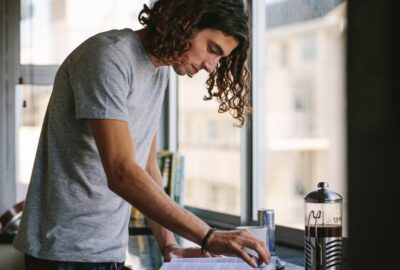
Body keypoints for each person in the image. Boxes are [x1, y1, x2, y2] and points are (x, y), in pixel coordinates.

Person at [13, 0, 270, 269]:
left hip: (108, 250)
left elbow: (146, 168)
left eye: (220, 58)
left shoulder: (158, 73)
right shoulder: (108, 57)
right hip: (62, 252)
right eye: (212, 49)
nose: (210, 66)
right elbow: (121, 171)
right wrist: (208, 235)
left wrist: (169, 245)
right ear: (186, 21)